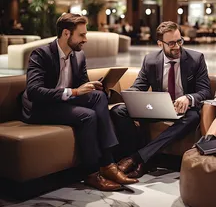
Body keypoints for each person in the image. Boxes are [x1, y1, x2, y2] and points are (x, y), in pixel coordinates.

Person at [21, 13, 138, 191]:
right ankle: (92, 174)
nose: (86, 39)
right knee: (87, 116)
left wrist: (93, 87)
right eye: (81, 35)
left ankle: (108, 164)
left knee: (98, 96)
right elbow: (34, 91)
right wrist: (75, 92)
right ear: (66, 33)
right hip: (41, 107)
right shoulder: (41, 54)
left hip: (65, 102)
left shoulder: (79, 55)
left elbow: (81, 85)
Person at [111, 21, 211, 178]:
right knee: (118, 111)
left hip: (185, 111)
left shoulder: (196, 59)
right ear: (160, 44)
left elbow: (205, 91)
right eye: (171, 43)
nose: (177, 46)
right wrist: (127, 95)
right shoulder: (150, 60)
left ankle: (136, 159)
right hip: (159, 108)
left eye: (179, 41)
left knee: (193, 116)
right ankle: (134, 155)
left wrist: (188, 98)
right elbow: (139, 86)